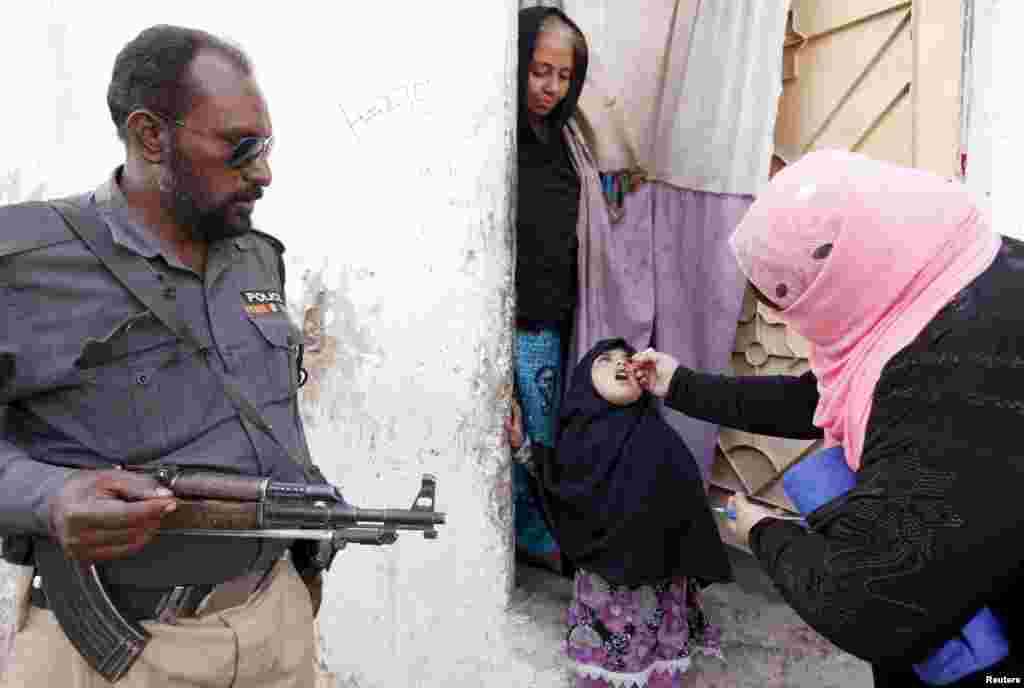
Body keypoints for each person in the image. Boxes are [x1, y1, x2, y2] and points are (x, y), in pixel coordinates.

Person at [0, 25, 326, 686]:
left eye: (267, 146)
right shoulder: (25, 263)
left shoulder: (257, 257)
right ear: (152, 136)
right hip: (111, 651)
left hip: (273, 629)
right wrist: (50, 496)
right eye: (241, 148)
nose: (264, 172)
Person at [632, 149, 1023, 686]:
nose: (783, 320)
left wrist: (760, 530)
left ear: (841, 274)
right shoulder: (963, 272)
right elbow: (814, 399)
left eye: (789, 299)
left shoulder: (941, 382)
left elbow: (869, 605)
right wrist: (676, 383)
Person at [534, 338, 732, 687]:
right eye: (605, 360)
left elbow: (688, 507)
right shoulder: (575, 440)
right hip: (603, 595)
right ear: (583, 380)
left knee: (654, 671)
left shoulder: (659, 436)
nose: (621, 363)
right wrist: (523, 446)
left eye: (627, 358)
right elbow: (560, 488)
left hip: (654, 589)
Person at [507, 6, 593, 575]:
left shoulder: (564, 136)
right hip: (524, 316)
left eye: (563, 77)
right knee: (528, 436)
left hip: (560, 309)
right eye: (539, 72)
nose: (551, 88)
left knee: (552, 430)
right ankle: (534, 535)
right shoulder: (502, 133)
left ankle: (545, 529)